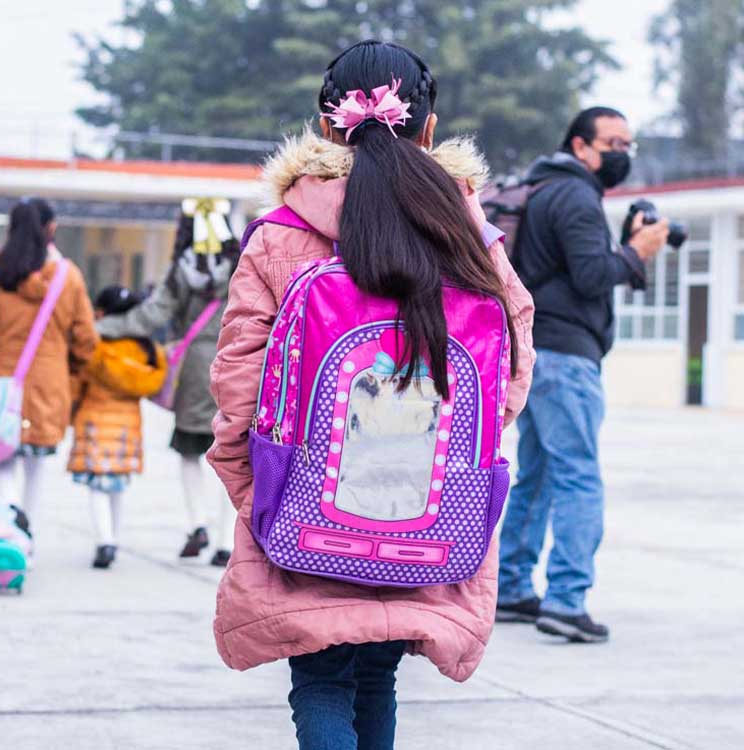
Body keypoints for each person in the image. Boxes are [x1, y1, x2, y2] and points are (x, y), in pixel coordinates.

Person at [206, 40, 536, 750]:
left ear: (326, 127)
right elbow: (510, 364)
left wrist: (253, 484)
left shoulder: (281, 236)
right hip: (427, 506)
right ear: (429, 126)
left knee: (322, 680)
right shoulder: (467, 233)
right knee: (377, 676)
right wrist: (461, 461)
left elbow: (238, 376)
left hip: (306, 498)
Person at [496, 107, 669, 643]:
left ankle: (511, 587)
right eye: (613, 141)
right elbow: (593, 275)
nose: (623, 152)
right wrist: (637, 252)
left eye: (628, 143)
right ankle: (567, 600)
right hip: (567, 356)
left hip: (534, 352)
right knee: (578, 476)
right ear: (580, 146)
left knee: (542, 472)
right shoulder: (575, 195)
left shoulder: (540, 189)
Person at [97, 203, 240, 566]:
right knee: (233, 456)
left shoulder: (182, 269)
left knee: (191, 451)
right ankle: (225, 542)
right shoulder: (242, 264)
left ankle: (198, 524)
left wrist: (103, 329)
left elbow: (153, 314)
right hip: (237, 365)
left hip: (194, 369)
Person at [0, 198, 97, 526]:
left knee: (1, 460)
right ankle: (26, 532)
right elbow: (86, 341)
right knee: (36, 464)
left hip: (1, 384)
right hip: (49, 383)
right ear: (52, 228)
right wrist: (72, 375)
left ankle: (10, 512)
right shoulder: (68, 277)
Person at [68, 286, 167, 569]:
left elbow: (77, 382)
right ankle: (114, 538)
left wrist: (69, 412)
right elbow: (155, 381)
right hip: (128, 427)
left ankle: (105, 540)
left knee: (98, 486)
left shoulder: (95, 344)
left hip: (95, 420)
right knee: (117, 486)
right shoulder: (145, 348)